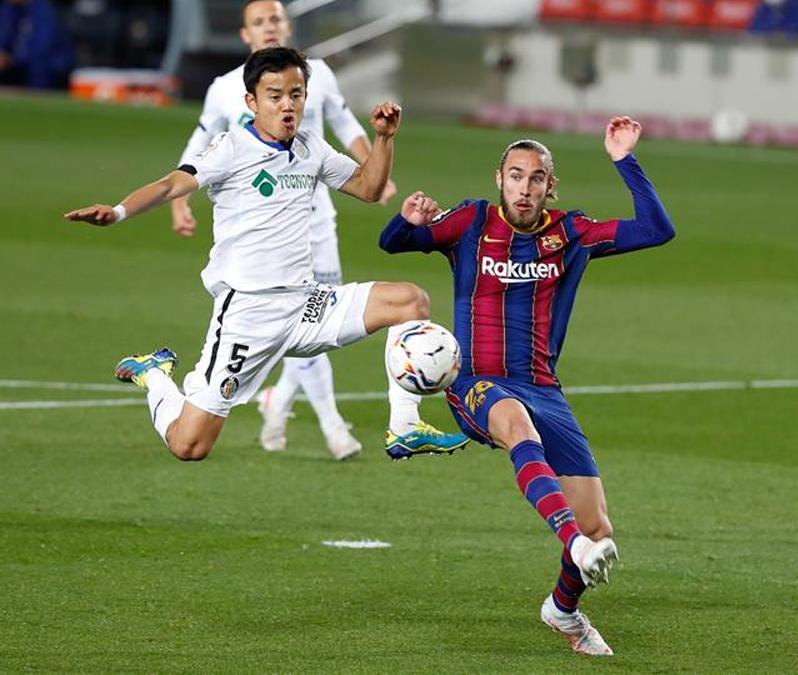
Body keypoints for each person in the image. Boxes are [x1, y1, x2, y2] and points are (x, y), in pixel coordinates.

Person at [378, 116, 675, 655]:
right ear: (500, 179)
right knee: (516, 426)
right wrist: (407, 220)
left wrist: (623, 160)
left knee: (600, 526)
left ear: (549, 186)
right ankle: (572, 544)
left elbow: (658, 229)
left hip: (544, 389)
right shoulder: (470, 223)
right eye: (516, 176)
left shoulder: (570, 233)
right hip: (476, 385)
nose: (524, 187)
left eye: (536, 178)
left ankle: (562, 611)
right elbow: (393, 244)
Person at [64, 47, 433, 464]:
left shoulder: (312, 147)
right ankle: (153, 374)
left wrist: (384, 139)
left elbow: (368, 188)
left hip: (305, 304)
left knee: (410, 301)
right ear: (252, 102)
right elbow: (172, 184)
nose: (288, 105)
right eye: (275, 95)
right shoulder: (232, 148)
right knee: (189, 446)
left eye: (296, 93)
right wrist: (118, 211)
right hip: (249, 315)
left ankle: (405, 427)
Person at [172, 0, 467, 461]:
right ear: (246, 35)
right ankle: (316, 419)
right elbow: (197, 152)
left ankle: (369, 424)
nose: (270, 27)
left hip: (313, 227)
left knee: (326, 324)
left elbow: (345, 126)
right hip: (252, 264)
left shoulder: (319, 75)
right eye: (260, 22)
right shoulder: (224, 90)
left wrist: (377, 157)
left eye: (276, 19)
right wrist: (178, 200)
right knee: (198, 435)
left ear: (288, 25)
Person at [0, 0, 74, 89]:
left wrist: (11, 59)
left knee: (38, 66)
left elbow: (40, 49)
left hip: (48, 70)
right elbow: (4, 36)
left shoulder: (44, 11)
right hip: (18, 67)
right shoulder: (8, 9)